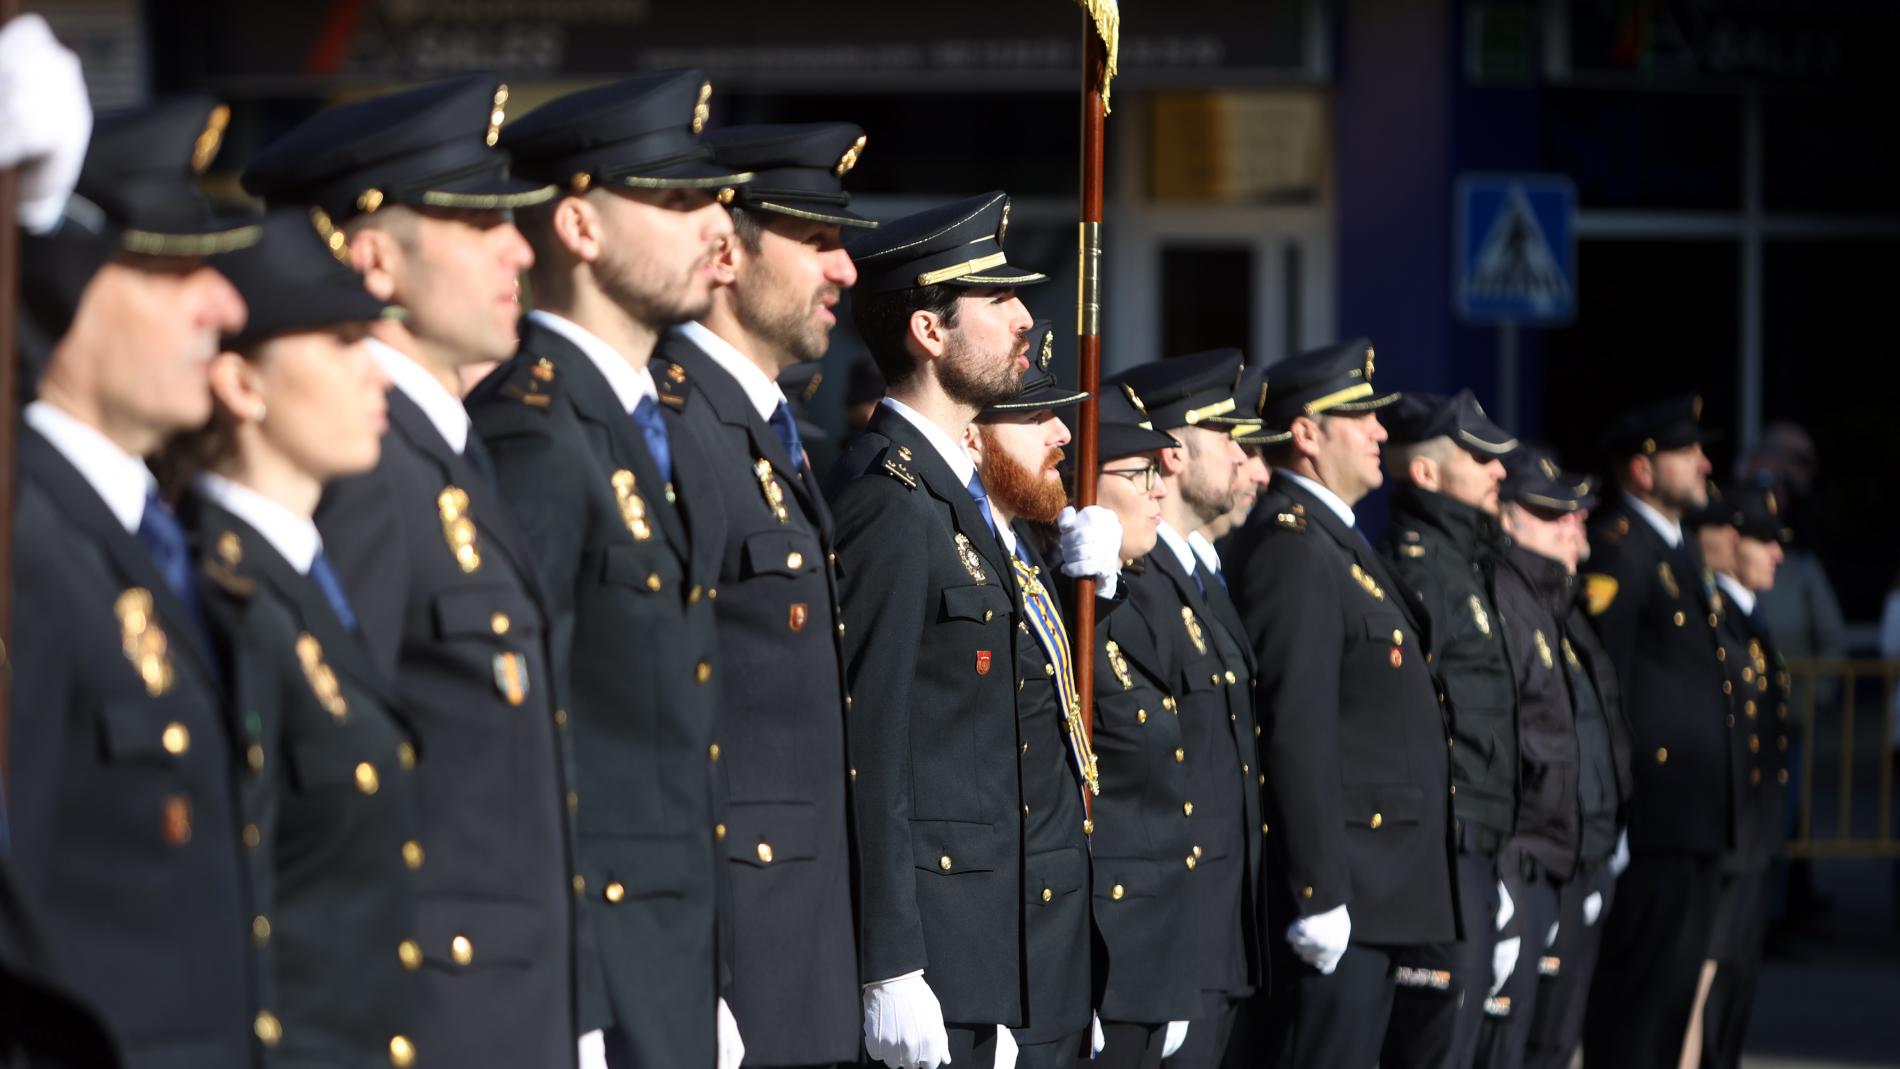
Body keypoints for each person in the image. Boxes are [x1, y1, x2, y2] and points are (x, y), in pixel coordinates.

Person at [241, 75, 578, 1068]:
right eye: (477, 222)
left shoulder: (436, 454)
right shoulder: (368, 472)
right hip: (428, 1022)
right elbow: (325, 799)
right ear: (372, 255)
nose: (521, 246)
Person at [464, 70, 754, 1069]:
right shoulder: (536, 433)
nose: (718, 228)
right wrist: (577, 992)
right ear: (579, 229)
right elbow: (520, 748)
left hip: (669, 957)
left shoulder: (640, 423)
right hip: (600, 963)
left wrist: (708, 973)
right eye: (675, 201)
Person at [10, 95, 261, 1067]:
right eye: (175, 269)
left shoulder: (139, 531)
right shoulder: (27, 545)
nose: (227, 308)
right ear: (63, 285)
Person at [163, 209, 425, 1066]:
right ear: (242, 384)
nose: (377, 370)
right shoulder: (217, 591)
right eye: (343, 340)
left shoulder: (300, 574)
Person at [647, 119, 874, 1069]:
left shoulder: (765, 425)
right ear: (728, 253)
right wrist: (697, 971)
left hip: (802, 951)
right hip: (745, 958)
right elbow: (661, 724)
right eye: (817, 241)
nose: (846, 269)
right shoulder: (678, 424)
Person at [824, 190, 1044, 1069]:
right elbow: (870, 741)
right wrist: (890, 963)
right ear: (929, 330)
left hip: (988, 940)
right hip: (934, 950)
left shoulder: (961, 493)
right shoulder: (890, 500)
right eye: (999, 301)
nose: (1027, 317)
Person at [1224, 338, 1458, 1069]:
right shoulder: (1293, 547)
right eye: (1359, 414)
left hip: (1381, 888)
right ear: (1306, 434)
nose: (1381, 430)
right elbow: (1296, 727)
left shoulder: (1335, 541)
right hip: (1343, 893)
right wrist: (1319, 890)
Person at [1102, 350, 1264, 1069]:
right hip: (1167, 933)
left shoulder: (1193, 581)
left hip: (1206, 932)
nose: (1246, 460)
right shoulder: (1140, 583)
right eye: (1227, 437)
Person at [966, 356, 1116, 1067]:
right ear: (973, 435)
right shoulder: (944, 529)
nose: (1062, 430)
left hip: (1054, 940)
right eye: (1034, 415)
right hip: (994, 945)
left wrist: (1101, 594)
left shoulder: (1020, 543)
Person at [1375, 390, 1526, 1069]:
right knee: (1434, 1041)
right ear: (1427, 473)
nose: (1499, 472)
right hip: (1445, 841)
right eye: (1478, 457)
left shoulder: (1463, 562)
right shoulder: (1419, 566)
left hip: (1478, 839)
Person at [1580, 395, 1732, 1069]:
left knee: (1672, 1008)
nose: (1704, 462)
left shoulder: (1676, 552)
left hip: (1692, 819)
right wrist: (1613, 809)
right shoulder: (1622, 551)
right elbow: (1603, 685)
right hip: (1650, 820)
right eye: (1686, 451)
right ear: (1641, 469)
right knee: (1634, 1012)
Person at [1490, 448, 1633, 1069]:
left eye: (1576, 515)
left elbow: (1594, 731)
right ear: (1505, 518)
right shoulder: (1509, 599)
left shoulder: (1561, 606)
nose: (1574, 527)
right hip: (1531, 860)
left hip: (1580, 851)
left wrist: (1605, 834)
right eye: (1552, 514)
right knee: (1516, 1044)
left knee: (1552, 1041)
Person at [1083, 388, 1202, 1069]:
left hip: (1152, 946)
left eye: (1161, 474)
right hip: (1106, 946)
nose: (1160, 491)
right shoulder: (1078, 604)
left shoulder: (1129, 594)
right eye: (1138, 474)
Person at [1687, 483, 1793, 1069]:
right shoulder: (1714, 618)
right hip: (1726, 837)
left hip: (1753, 835)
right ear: (1731, 543)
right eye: (1765, 542)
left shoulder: (1749, 620)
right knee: (1708, 989)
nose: (1776, 555)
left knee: (1735, 991)